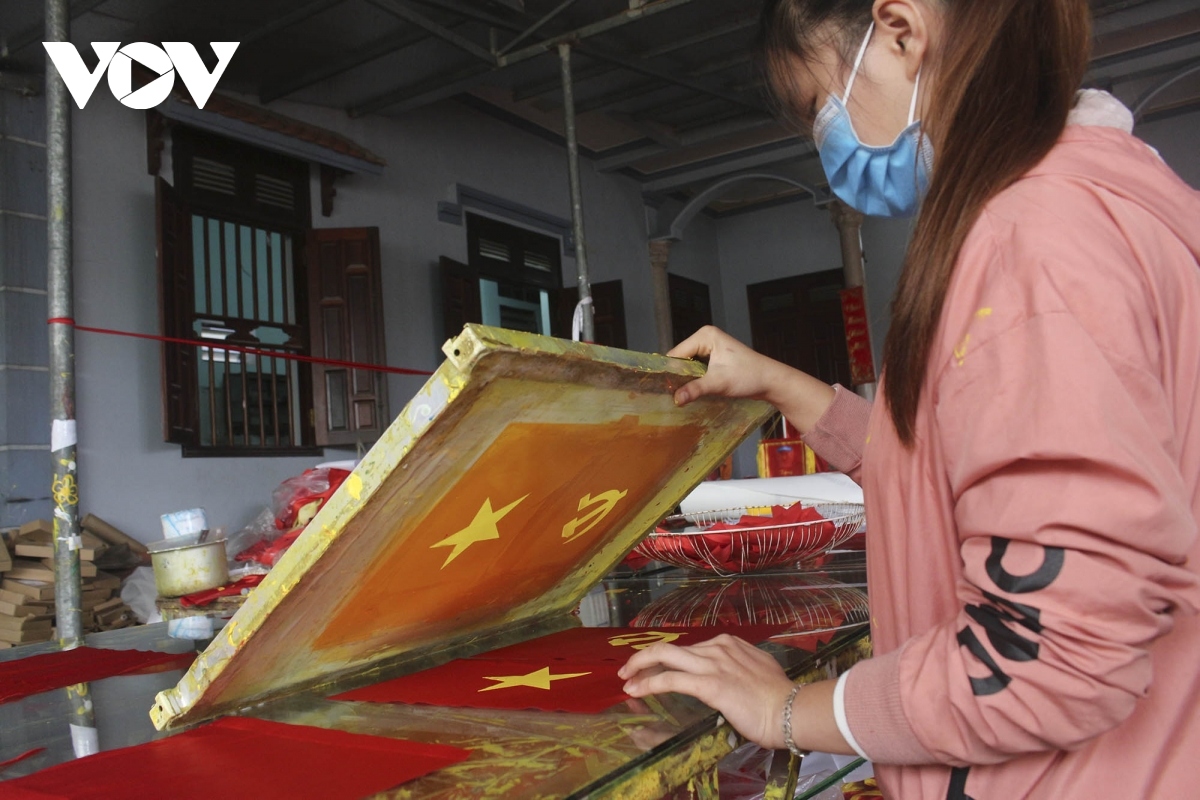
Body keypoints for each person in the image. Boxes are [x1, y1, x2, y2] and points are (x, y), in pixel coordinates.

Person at [617, 0, 1200, 796]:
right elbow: (951, 460)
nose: (829, 147)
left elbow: (1053, 654)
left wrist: (790, 710)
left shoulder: (1032, 241)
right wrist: (778, 383)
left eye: (820, 107)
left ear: (900, 30)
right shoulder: (1112, 201)